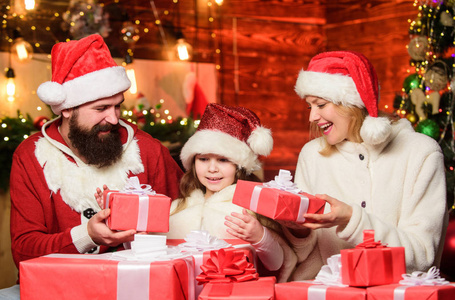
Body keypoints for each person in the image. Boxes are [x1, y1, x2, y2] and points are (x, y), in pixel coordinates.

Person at [2, 34, 183, 298]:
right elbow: (24, 251)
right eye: (101, 108)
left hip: (136, 286)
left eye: (117, 106)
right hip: (57, 288)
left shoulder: (148, 149)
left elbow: (184, 216)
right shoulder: (30, 156)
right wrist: (87, 235)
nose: (113, 118)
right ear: (66, 109)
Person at [280, 50, 449, 280]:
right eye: (310, 106)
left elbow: (422, 256)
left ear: (351, 102)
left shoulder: (421, 153)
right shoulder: (312, 156)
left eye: (320, 104)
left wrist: (353, 219)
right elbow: (306, 259)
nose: (312, 117)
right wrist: (297, 232)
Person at [164, 103, 297, 282]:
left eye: (223, 160)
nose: (212, 168)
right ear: (193, 161)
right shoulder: (177, 209)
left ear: (239, 166)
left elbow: (277, 263)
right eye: (203, 159)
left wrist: (260, 237)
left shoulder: (250, 207)